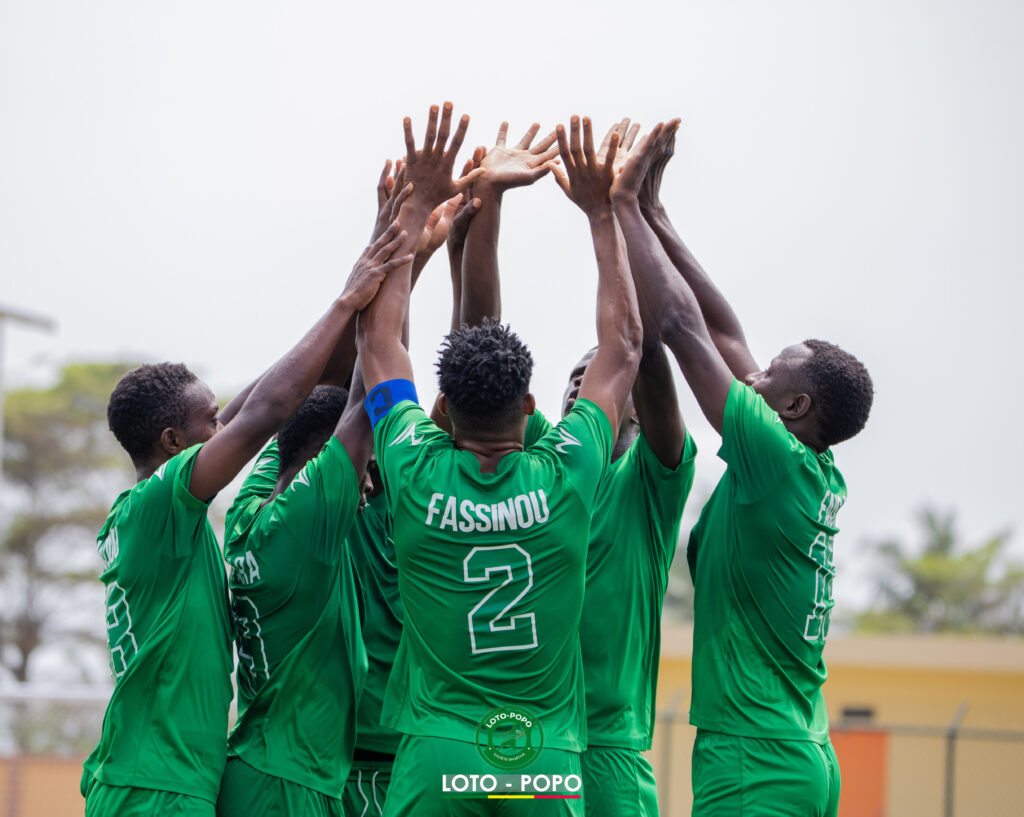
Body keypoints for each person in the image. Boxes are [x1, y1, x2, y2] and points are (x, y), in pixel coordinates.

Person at [355, 104, 641, 816]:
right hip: (541, 757)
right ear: (531, 406)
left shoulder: (413, 464)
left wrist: (414, 207)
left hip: (438, 750)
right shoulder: (570, 466)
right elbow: (624, 347)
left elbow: (378, 343)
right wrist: (603, 212)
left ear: (443, 410)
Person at [83, 224, 411, 817]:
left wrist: (378, 261)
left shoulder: (170, 519)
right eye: (209, 422)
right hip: (159, 787)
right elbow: (267, 412)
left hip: (165, 777)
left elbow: (283, 401)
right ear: (172, 441)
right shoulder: (157, 510)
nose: (222, 430)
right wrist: (355, 296)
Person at [610, 121, 874, 817]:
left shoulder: (775, 460)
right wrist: (655, 212)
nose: (752, 374)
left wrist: (619, 205)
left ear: (796, 404)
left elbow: (682, 326)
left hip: (754, 758)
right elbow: (724, 333)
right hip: (795, 751)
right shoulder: (804, 463)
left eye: (771, 373)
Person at [457, 117, 699, 816]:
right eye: (572, 377)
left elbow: (639, 350)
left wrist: (619, 213)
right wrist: (490, 205)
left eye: (595, 377)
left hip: (610, 747)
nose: (580, 386)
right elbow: (479, 350)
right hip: (524, 740)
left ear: (630, 406)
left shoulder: (651, 480)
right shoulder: (544, 461)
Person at [215, 374, 373, 816]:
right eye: (366, 466)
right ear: (323, 461)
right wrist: (372, 324)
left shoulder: (247, 513)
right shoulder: (306, 523)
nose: (368, 485)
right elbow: (366, 397)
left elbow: (294, 428)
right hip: (284, 784)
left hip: (273, 770)